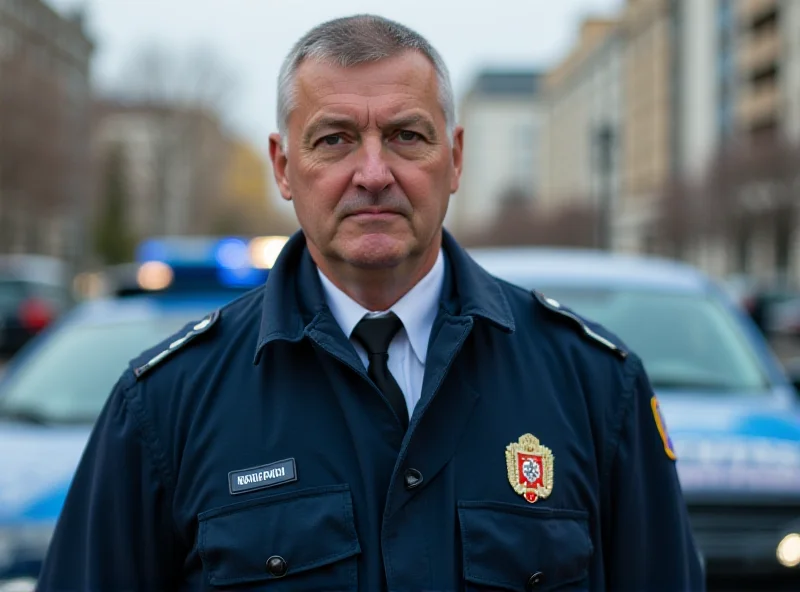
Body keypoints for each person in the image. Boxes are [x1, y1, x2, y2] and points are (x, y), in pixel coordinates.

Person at [38, 14, 705, 591]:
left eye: (407, 136)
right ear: (282, 167)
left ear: (456, 157)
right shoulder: (165, 406)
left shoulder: (593, 387)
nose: (374, 173)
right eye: (334, 140)